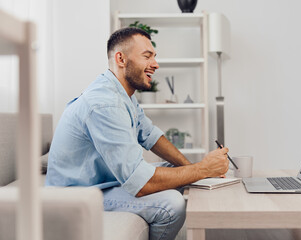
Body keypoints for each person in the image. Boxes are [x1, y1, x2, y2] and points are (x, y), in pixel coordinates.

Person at [45, 27, 229, 240]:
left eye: (155, 57)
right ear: (121, 59)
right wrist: (203, 169)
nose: (155, 64)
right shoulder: (105, 104)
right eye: (147, 56)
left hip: (104, 182)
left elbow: (151, 135)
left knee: (176, 168)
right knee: (172, 204)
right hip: (76, 196)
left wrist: (191, 168)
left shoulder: (122, 93)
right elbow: (141, 183)